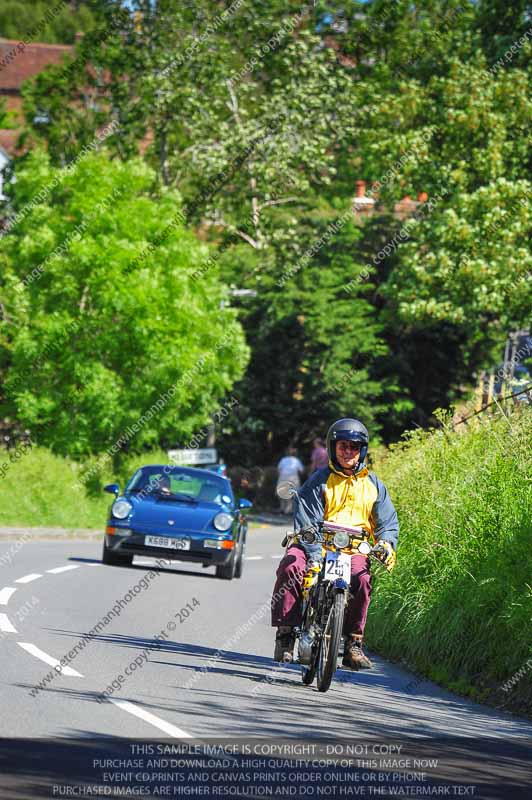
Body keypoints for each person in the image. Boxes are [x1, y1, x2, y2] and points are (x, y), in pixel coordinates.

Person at [271, 418, 398, 670]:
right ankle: (285, 634)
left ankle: (353, 643)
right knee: (291, 566)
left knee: (361, 579)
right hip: (314, 544)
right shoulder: (318, 480)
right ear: (333, 448)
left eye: (354, 446)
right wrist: (315, 555)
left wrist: (386, 543)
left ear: (362, 450)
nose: (348, 451)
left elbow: (387, 522)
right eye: (343, 446)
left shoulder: (374, 485)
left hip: (353, 550)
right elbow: (307, 520)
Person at [276, 447, 304, 515]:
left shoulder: (283, 460)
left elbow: (279, 469)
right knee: (292, 493)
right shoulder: (296, 460)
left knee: (282, 492)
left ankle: (282, 508)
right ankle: (288, 510)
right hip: (293, 477)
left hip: (283, 476)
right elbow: (301, 470)